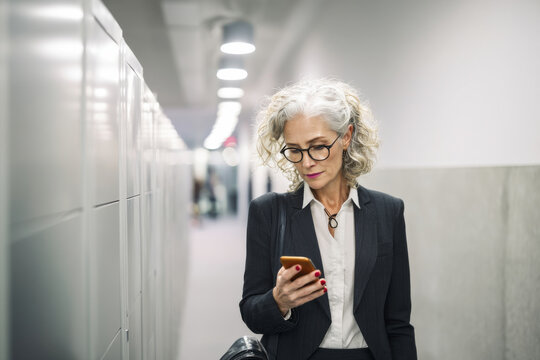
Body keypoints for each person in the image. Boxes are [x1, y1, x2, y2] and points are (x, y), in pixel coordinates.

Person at [239, 79, 417, 360]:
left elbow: (398, 322)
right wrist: (278, 301)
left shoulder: (387, 212)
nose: (306, 162)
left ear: (346, 137)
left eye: (318, 146)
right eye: (294, 149)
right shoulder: (269, 212)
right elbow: (251, 311)